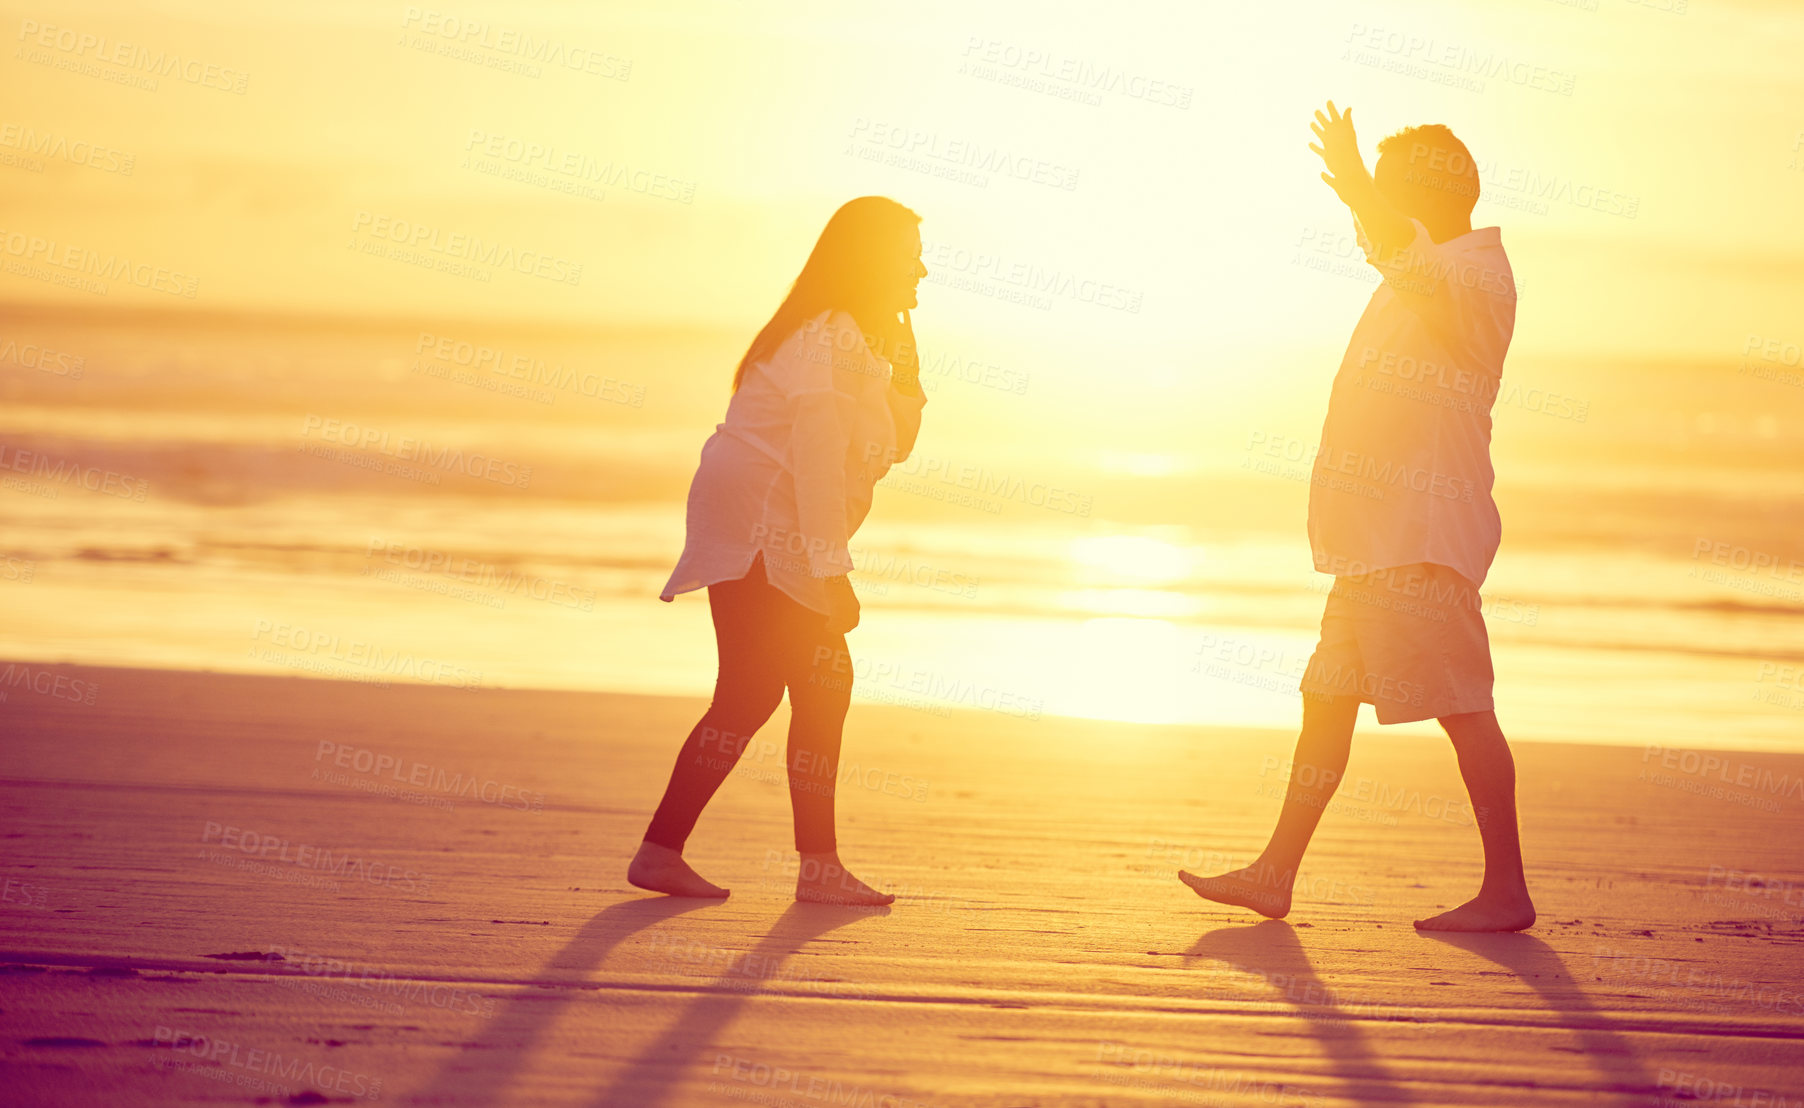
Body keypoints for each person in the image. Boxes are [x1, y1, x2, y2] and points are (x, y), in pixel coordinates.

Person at [1181, 102, 1535, 932]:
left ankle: (1508, 889)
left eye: (1390, 191)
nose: (1377, 212)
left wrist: (1354, 184)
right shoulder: (1418, 271)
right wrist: (1359, 193)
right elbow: (1392, 249)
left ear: (1436, 198)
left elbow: (1407, 258)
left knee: (1465, 709)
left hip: (1421, 541)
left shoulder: (1475, 277)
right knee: (1326, 697)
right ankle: (1274, 871)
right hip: (1376, 545)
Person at [628, 196, 928, 906]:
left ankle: (662, 851)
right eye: (910, 252)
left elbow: (889, 449)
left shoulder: (850, 337)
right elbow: (820, 457)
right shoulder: (828, 336)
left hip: (756, 513)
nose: (922, 268)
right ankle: (812, 868)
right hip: (764, 518)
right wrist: (830, 572)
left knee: (755, 691)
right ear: (875, 258)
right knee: (820, 680)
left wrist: (908, 381)